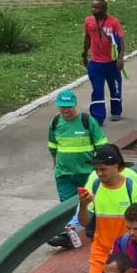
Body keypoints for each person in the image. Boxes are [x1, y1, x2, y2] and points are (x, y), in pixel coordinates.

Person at [78, 145, 137, 273]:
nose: (99, 174)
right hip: (100, 252)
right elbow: (84, 222)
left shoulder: (131, 187)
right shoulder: (94, 185)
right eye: (96, 170)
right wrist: (84, 205)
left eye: (103, 169)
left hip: (127, 254)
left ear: (116, 166)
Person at [46, 90, 108, 249]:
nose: (65, 111)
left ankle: (91, 227)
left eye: (68, 107)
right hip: (64, 174)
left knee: (90, 202)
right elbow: (53, 147)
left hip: (87, 174)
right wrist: (56, 165)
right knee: (66, 205)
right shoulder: (55, 123)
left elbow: (101, 145)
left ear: (75, 105)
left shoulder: (87, 121)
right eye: (62, 107)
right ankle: (65, 235)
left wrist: (100, 169)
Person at [81, 0, 126, 123]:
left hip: (112, 63)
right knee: (97, 90)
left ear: (104, 9)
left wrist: (121, 58)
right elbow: (87, 38)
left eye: (97, 7)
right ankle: (97, 117)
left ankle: (116, 111)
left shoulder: (114, 22)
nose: (93, 10)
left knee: (115, 88)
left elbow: (121, 41)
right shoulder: (88, 21)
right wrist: (84, 55)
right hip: (95, 63)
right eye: (93, 7)